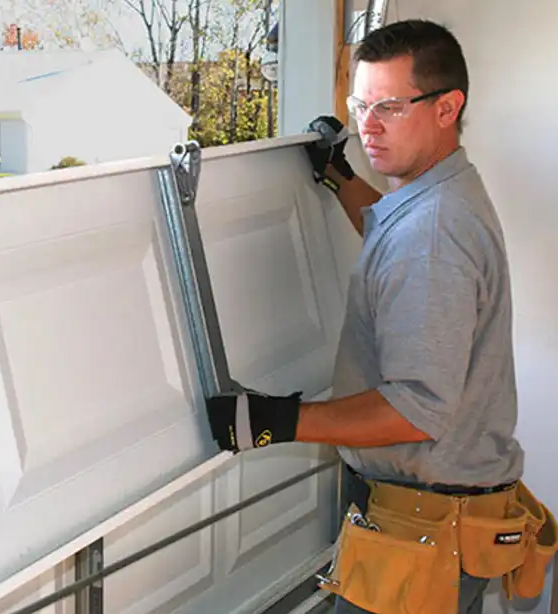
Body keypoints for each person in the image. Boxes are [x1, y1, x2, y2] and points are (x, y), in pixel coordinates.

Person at [205, 19, 557, 614]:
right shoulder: (438, 194)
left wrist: (275, 421)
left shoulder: (434, 237)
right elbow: (386, 226)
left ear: (447, 107)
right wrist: (338, 175)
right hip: (439, 520)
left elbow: (415, 409)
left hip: (425, 532)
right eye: (360, 104)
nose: (368, 125)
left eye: (389, 107)